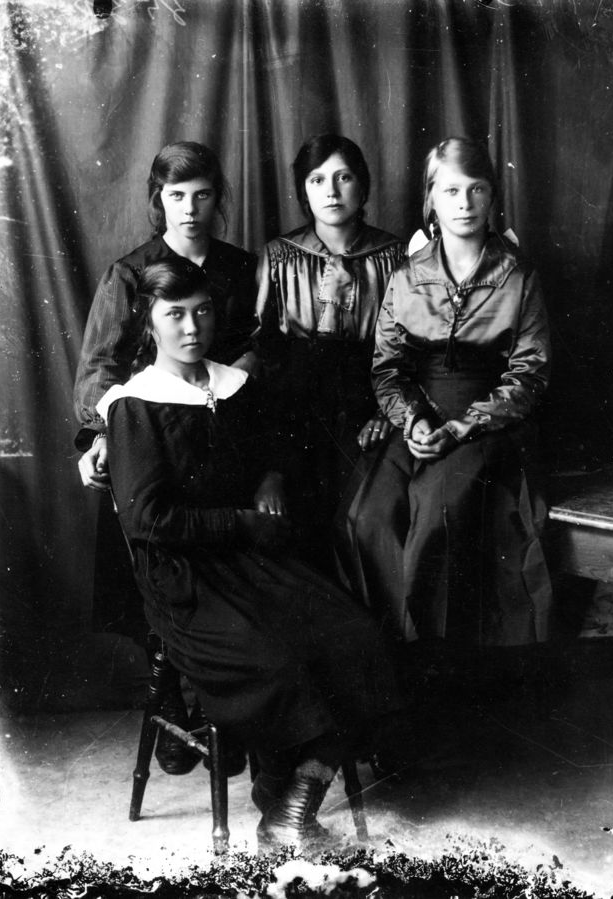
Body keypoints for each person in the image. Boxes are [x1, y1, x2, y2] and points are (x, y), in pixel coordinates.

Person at [97, 258, 400, 849]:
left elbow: (276, 448)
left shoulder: (234, 387)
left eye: (203, 312)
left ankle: (289, 805)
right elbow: (148, 520)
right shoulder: (135, 406)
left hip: (254, 561)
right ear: (149, 323)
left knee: (357, 636)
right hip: (183, 575)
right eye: (175, 315)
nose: (192, 327)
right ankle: (284, 800)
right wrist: (240, 521)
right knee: (277, 661)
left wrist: (271, 479)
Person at [73, 141, 258, 774]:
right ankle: (176, 704)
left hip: (221, 430)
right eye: (176, 196)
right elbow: (100, 370)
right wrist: (103, 436)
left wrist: (239, 376)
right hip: (151, 437)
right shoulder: (130, 273)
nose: (190, 208)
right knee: (160, 561)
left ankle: (228, 708)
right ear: (159, 199)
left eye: (202, 195)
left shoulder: (241, 267)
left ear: (218, 198)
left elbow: (259, 343)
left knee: (235, 569)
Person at [335, 137, 553, 664]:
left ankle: (441, 666)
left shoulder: (518, 276)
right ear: (430, 198)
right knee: (368, 517)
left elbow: (530, 371)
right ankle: (390, 666)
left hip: (489, 422)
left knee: (440, 514)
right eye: (451, 190)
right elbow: (388, 368)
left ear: (492, 196)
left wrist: (464, 427)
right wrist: (412, 421)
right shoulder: (408, 276)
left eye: (476, 189)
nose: (465, 203)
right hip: (418, 416)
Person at [254, 134, 406, 566]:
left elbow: (409, 347)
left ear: (364, 186)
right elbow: (263, 349)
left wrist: (389, 412)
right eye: (317, 180)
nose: (332, 192)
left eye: (344, 178)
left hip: (371, 398)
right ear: (303, 191)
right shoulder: (279, 256)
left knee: (365, 520)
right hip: (298, 405)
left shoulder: (395, 256)